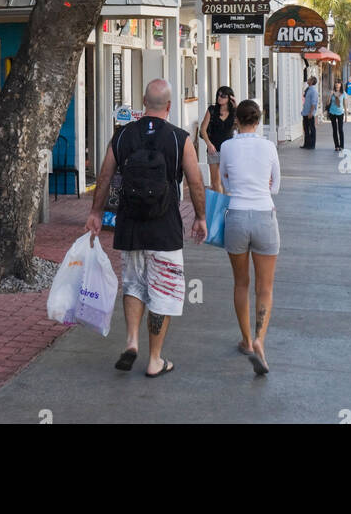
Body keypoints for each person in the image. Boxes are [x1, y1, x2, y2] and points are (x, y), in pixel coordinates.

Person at [87, 78, 207, 377]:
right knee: (163, 291)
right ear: (169, 105)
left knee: (134, 284)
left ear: (144, 102)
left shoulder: (123, 135)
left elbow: (104, 176)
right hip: (165, 227)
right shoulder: (181, 139)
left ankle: (131, 341)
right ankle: (155, 359)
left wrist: (96, 213)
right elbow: (194, 181)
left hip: (130, 225)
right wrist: (200, 217)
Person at [219, 98, 281, 376]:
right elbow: (276, 186)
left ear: (237, 120)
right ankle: (260, 339)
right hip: (264, 214)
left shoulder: (227, 147)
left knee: (241, 283)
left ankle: (245, 340)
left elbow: (224, 181)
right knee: (264, 287)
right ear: (259, 120)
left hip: (237, 215)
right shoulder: (268, 147)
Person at [200, 85, 237, 192]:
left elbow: (241, 124)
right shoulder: (212, 110)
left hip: (229, 150)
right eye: (218, 95)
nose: (219, 97)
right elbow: (203, 129)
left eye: (223, 96)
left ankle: (226, 206)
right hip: (214, 149)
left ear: (230, 98)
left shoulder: (234, 112)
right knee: (216, 183)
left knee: (227, 181)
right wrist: (209, 144)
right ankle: (221, 207)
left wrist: (236, 106)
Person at [327, 80, 346, 151]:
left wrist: (346, 116)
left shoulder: (343, 93)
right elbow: (328, 103)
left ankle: (342, 145)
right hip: (332, 112)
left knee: (340, 129)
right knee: (334, 130)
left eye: (338, 83)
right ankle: (336, 146)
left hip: (340, 113)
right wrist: (330, 95)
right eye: (336, 84)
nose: (337, 85)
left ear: (341, 85)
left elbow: (344, 104)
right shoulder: (332, 93)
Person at [301, 75, 318, 148]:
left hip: (309, 113)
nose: (307, 80)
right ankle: (306, 144)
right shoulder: (308, 89)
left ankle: (312, 145)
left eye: (309, 79)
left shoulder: (313, 91)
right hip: (305, 112)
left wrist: (311, 112)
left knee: (311, 129)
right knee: (306, 129)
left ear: (312, 82)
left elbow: (313, 103)